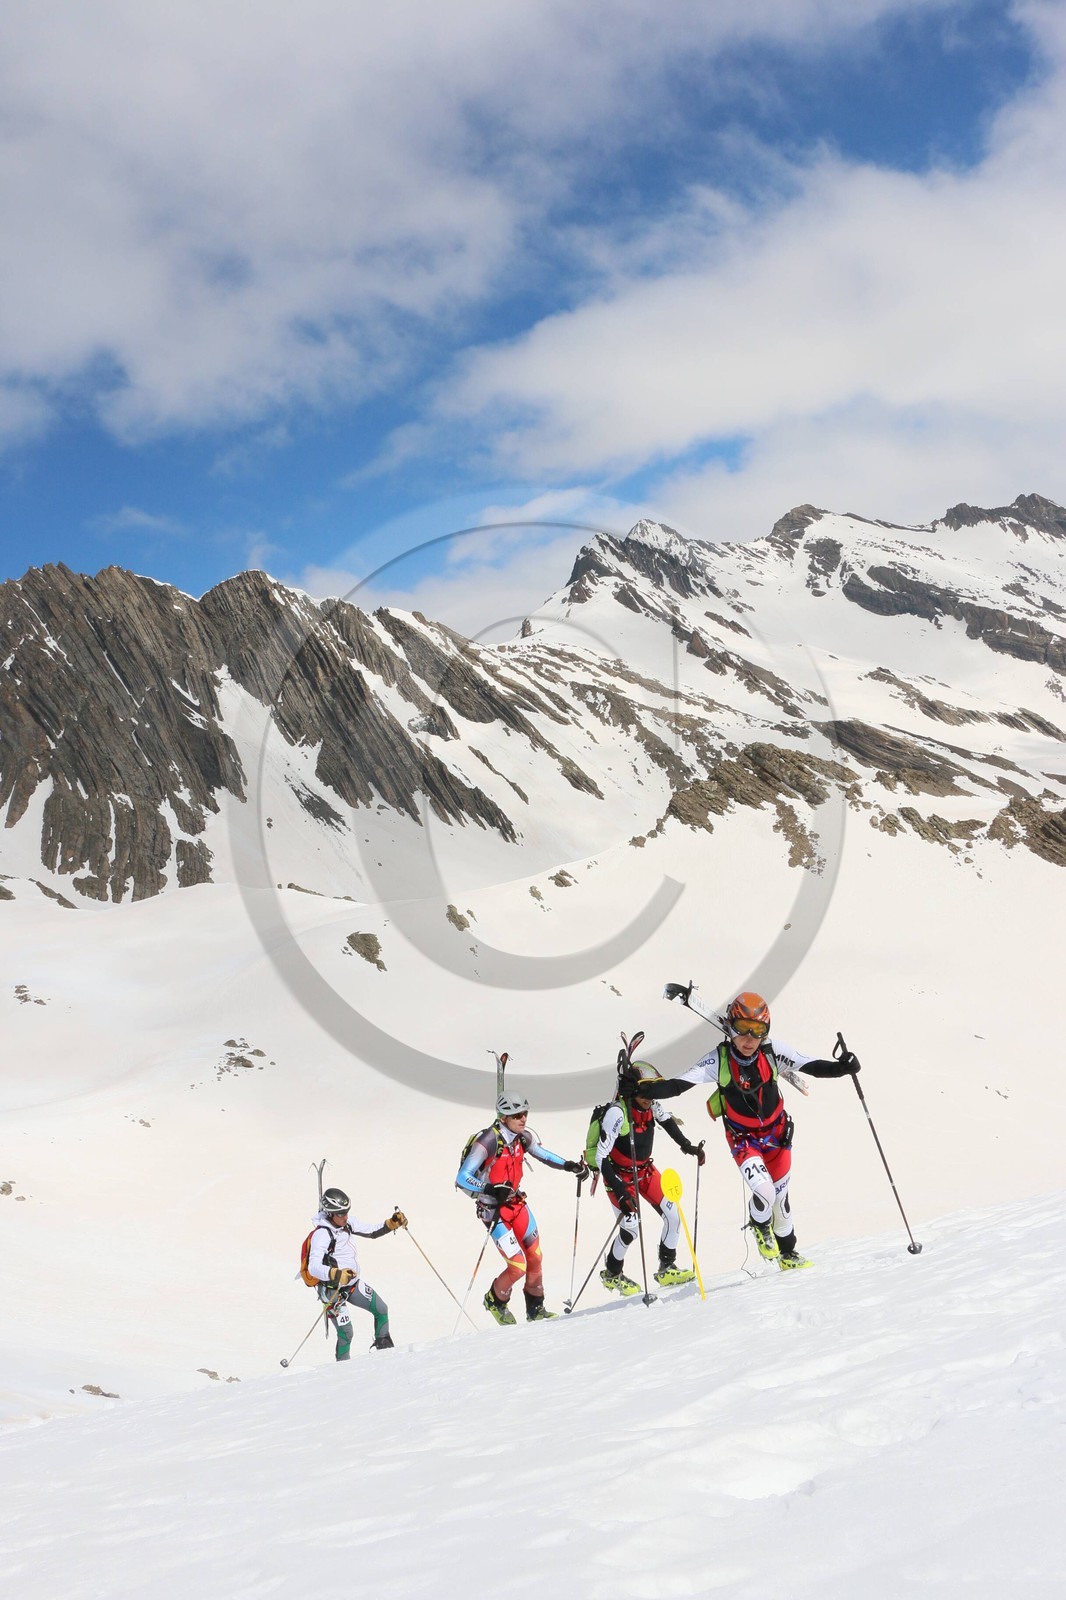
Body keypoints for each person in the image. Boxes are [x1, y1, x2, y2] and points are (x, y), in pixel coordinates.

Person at [654, 988, 860, 1268]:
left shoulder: (773, 1051)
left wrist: (842, 1068)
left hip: (778, 1136)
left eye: (758, 1030)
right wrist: (643, 1089)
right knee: (765, 1192)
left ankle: (788, 1254)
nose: (750, 1039)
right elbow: (677, 1085)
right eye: (742, 1029)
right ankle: (759, 1226)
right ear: (730, 1026)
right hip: (744, 1140)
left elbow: (810, 1065)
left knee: (781, 1201)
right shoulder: (719, 1059)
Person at [455, 1093, 587, 1324]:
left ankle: (536, 1309)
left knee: (535, 1257)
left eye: (525, 1113)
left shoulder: (521, 1138)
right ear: (504, 1117)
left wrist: (569, 1165)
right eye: (517, 1115)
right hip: (494, 1211)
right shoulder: (488, 1140)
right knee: (517, 1266)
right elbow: (462, 1177)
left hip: (517, 1205)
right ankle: (495, 1300)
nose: (523, 1118)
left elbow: (543, 1155)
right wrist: (490, 1188)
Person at [595, 1058, 704, 1294]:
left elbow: (667, 1123)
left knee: (674, 1215)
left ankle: (667, 1267)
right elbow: (600, 1158)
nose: (648, 1098)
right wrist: (621, 1192)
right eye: (644, 1094)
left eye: (652, 1093)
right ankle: (612, 1273)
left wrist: (688, 1146)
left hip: (645, 1172)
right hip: (619, 1177)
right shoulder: (617, 1113)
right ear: (632, 1092)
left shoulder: (652, 1106)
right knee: (631, 1228)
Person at [306, 1185, 406, 1358]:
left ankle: (386, 1355)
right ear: (330, 1213)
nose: (345, 1216)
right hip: (333, 1292)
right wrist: (336, 1274)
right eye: (341, 1214)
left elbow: (371, 1231)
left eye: (347, 1211)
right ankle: (343, 1372)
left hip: (352, 1285)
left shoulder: (348, 1223)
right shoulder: (321, 1235)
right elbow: (313, 1267)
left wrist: (391, 1224)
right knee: (346, 1333)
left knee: (381, 1309)